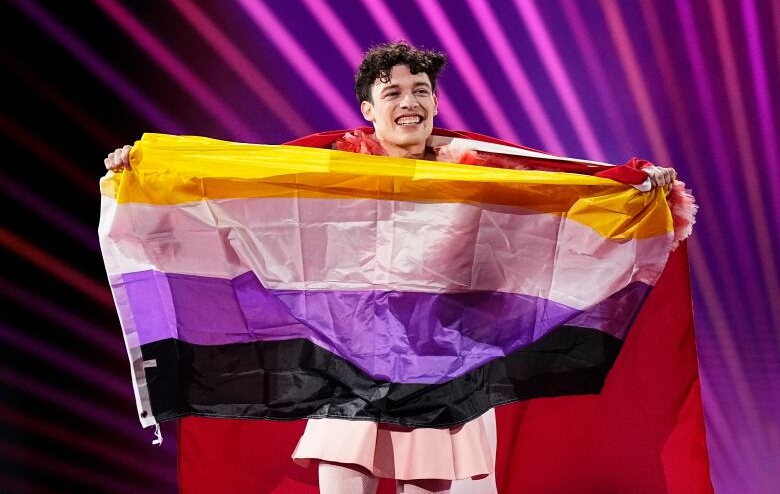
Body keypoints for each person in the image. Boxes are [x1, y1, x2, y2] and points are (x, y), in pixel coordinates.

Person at [105, 41, 676, 494]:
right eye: (393, 90)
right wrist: (148, 168)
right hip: (351, 358)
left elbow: (557, 185)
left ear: (433, 103)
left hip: (447, 357)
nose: (410, 100)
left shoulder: (472, 167)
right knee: (345, 476)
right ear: (368, 110)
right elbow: (236, 179)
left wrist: (631, 186)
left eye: (420, 89)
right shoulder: (333, 165)